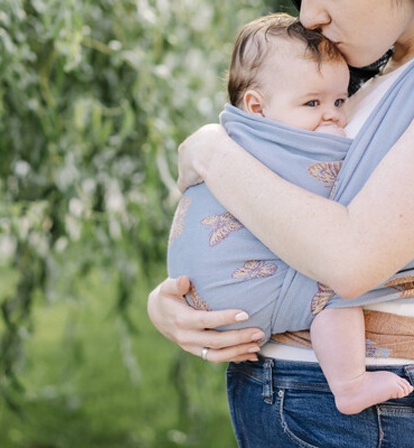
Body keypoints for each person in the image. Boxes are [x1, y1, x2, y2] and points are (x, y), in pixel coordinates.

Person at [149, 1, 414, 446]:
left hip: (350, 413)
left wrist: (212, 151)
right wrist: (178, 299)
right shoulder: (374, 70)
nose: (310, 15)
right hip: (274, 386)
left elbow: (349, 262)